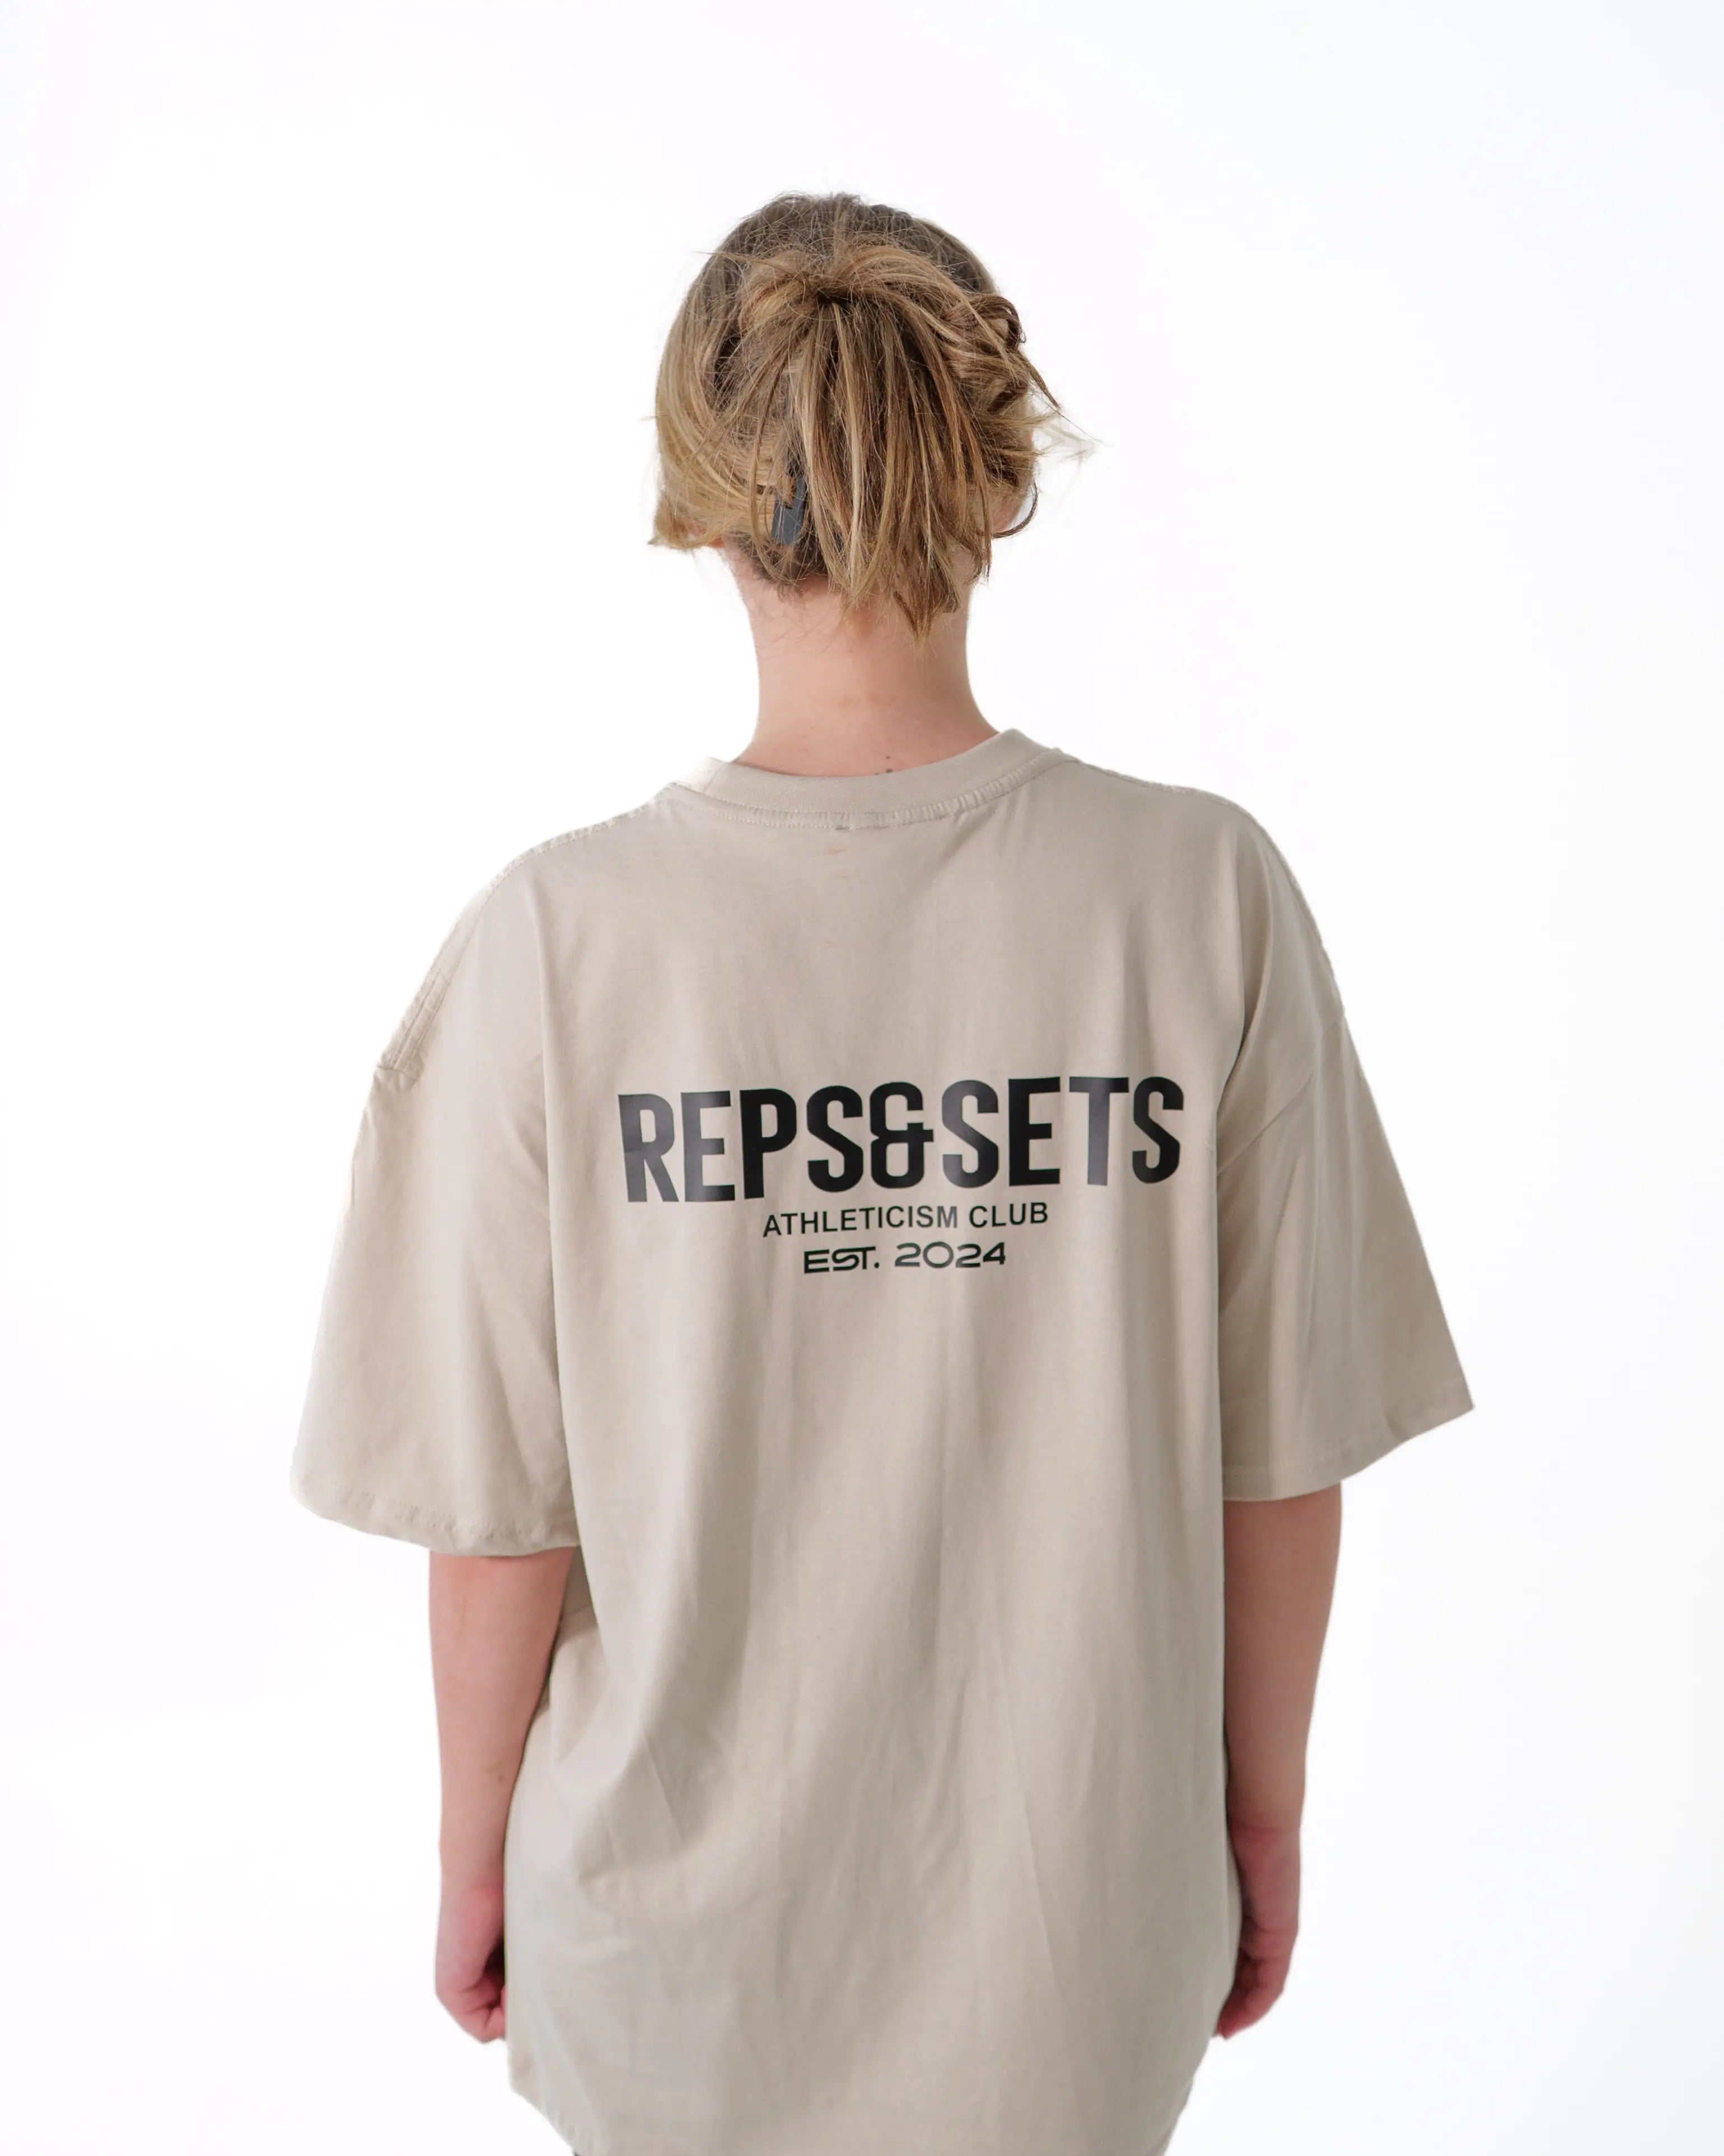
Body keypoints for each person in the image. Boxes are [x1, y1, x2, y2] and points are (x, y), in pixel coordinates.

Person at [290, 190, 1473, 2156]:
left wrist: (470, 1854)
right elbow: (1282, 1455)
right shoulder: (1199, 898)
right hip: (1077, 1931)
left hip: (665, 1955)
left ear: (699, 503)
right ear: (998, 478)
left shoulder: (557, 945)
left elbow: (498, 1517)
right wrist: (1257, 1819)